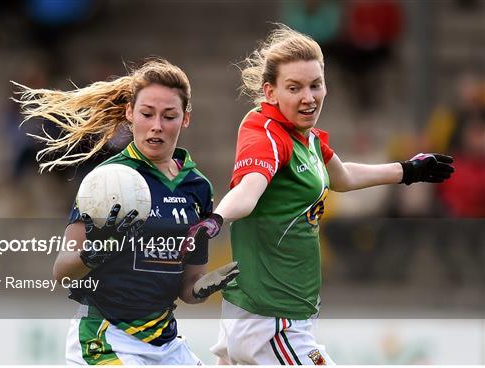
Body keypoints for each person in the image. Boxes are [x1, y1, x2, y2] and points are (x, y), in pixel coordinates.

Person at [187, 25, 455, 365]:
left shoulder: (307, 137)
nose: (309, 97)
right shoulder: (266, 133)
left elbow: (340, 176)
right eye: (294, 87)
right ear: (270, 92)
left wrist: (407, 171)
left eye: (316, 84)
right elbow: (248, 189)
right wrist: (215, 219)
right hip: (270, 321)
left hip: (279, 314)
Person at [13, 59, 239, 365]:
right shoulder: (108, 180)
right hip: (104, 338)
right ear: (129, 113)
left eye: (169, 116)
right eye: (147, 114)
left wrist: (205, 285)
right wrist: (96, 251)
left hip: (165, 343)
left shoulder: (197, 188)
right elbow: (61, 271)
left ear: (185, 119)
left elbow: (188, 284)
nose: (157, 125)